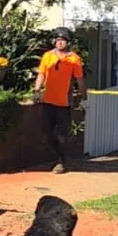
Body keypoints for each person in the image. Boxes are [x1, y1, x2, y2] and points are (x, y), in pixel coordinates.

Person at [33, 28, 86, 174]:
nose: (60, 42)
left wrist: (84, 97)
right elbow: (41, 74)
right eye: (57, 40)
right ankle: (60, 157)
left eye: (62, 40)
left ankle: (62, 161)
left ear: (68, 42)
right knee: (47, 133)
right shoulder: (48, 56)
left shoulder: (73, 59)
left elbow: (80, 79)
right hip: (48, 101)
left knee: (62, 135)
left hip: (64, 103)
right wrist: (37, 91)